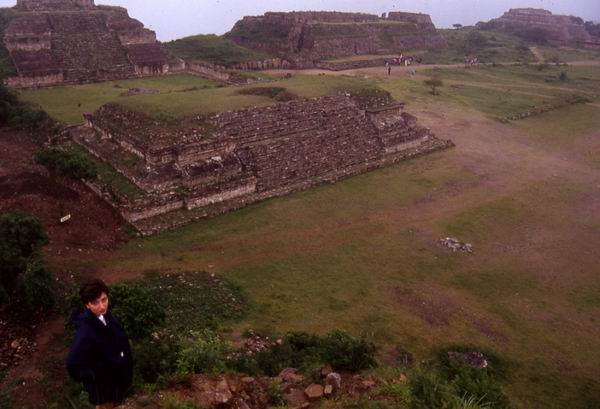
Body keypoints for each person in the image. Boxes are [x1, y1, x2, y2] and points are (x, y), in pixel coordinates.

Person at [67, 279, 133, 409]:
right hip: (104, 385)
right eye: (95, 303)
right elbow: (72, 363)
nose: (102, 306)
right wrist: (93, 374)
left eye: (104, 299)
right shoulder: (86, 331)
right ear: (87, 305)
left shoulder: (108, 317)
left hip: (115, 379)